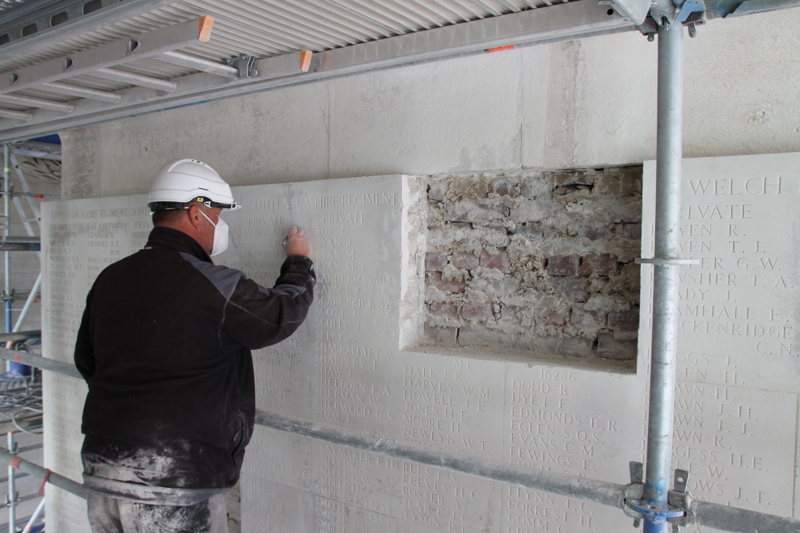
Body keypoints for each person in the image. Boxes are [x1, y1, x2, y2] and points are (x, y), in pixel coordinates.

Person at [74, 159, 315, 532]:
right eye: (218, 214)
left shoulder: (111, 277)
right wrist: (298, 261)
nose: (221, 225)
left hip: (104, 465)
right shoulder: (211, 283)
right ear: (196, 212)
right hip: (173, 476)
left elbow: (87, 361)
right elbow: (279, 316)